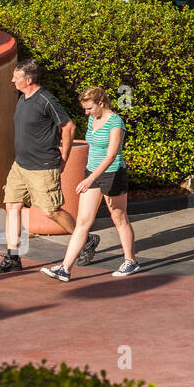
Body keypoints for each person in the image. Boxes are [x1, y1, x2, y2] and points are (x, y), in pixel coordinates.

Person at [0, 60, 79, 275]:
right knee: (12, 206)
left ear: (28, 80)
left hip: (42, 167)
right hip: (20, 166)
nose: (12, 80)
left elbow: (68, 126)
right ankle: (13, 257)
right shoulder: (23, 99)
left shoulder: (46, 100)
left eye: (16, 77)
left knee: (51, 212)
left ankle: (83, 239)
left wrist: (64, 155)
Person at [41, 86, 139, 280]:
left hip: (113, 174)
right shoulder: (92, 119)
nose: (86, 113)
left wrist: (90, 179)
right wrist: (90, 176)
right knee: (83, 222)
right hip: (91, 173)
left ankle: (131, 261)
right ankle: (65, 268)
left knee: (119, 218)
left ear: (101, 103)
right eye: (85, 109)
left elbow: (111, 155)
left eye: (89, 108)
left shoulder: (115, 122)